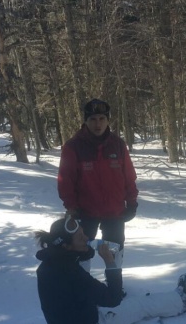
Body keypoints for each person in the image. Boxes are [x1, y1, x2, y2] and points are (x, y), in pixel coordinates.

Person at [34, 217, 186, 324]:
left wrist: (85, 247)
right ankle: (182, 301)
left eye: (84, 232)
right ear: (66, 246)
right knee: (139, 304)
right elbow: (113, 299)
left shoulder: (48, 265)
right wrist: (110, 263)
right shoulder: (72, 274)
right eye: (80, 237)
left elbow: (76, 285)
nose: (87, 237)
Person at [57, 98, 138, 269]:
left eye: (102, 118)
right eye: (92, 119)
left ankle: (115, 287)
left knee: (115, 250)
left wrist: (132, 203)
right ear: (85, 121)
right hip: (85, 212)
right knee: (81, 252)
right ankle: (81, 286)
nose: (97, 124)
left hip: (115, 212)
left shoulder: (118, 145)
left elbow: (129, 177)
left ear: (108, 120)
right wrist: (71, 208)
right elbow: (66, 181)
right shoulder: (73, 147)